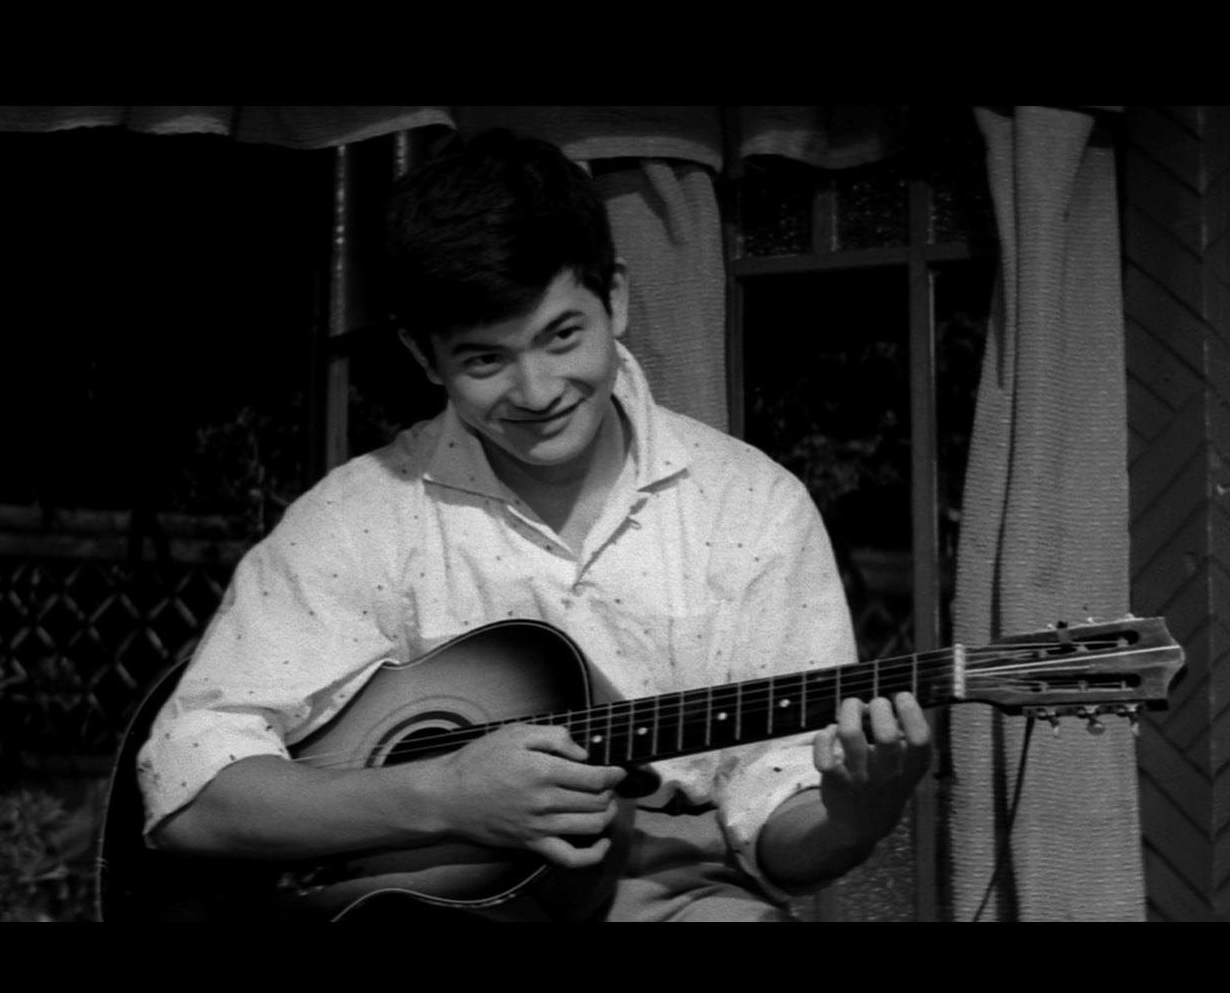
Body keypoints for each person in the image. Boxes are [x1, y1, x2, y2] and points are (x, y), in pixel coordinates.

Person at [138, 129, 931, 921]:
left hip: (670, 890)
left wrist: (858, 815)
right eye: (485, 360)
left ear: (615, 298)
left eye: (561, 336)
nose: (537, 390)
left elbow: (780, 828)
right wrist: (442, 795)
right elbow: (188, 792)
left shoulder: (750, 506)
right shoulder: (360, 519)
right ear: (423, 355)